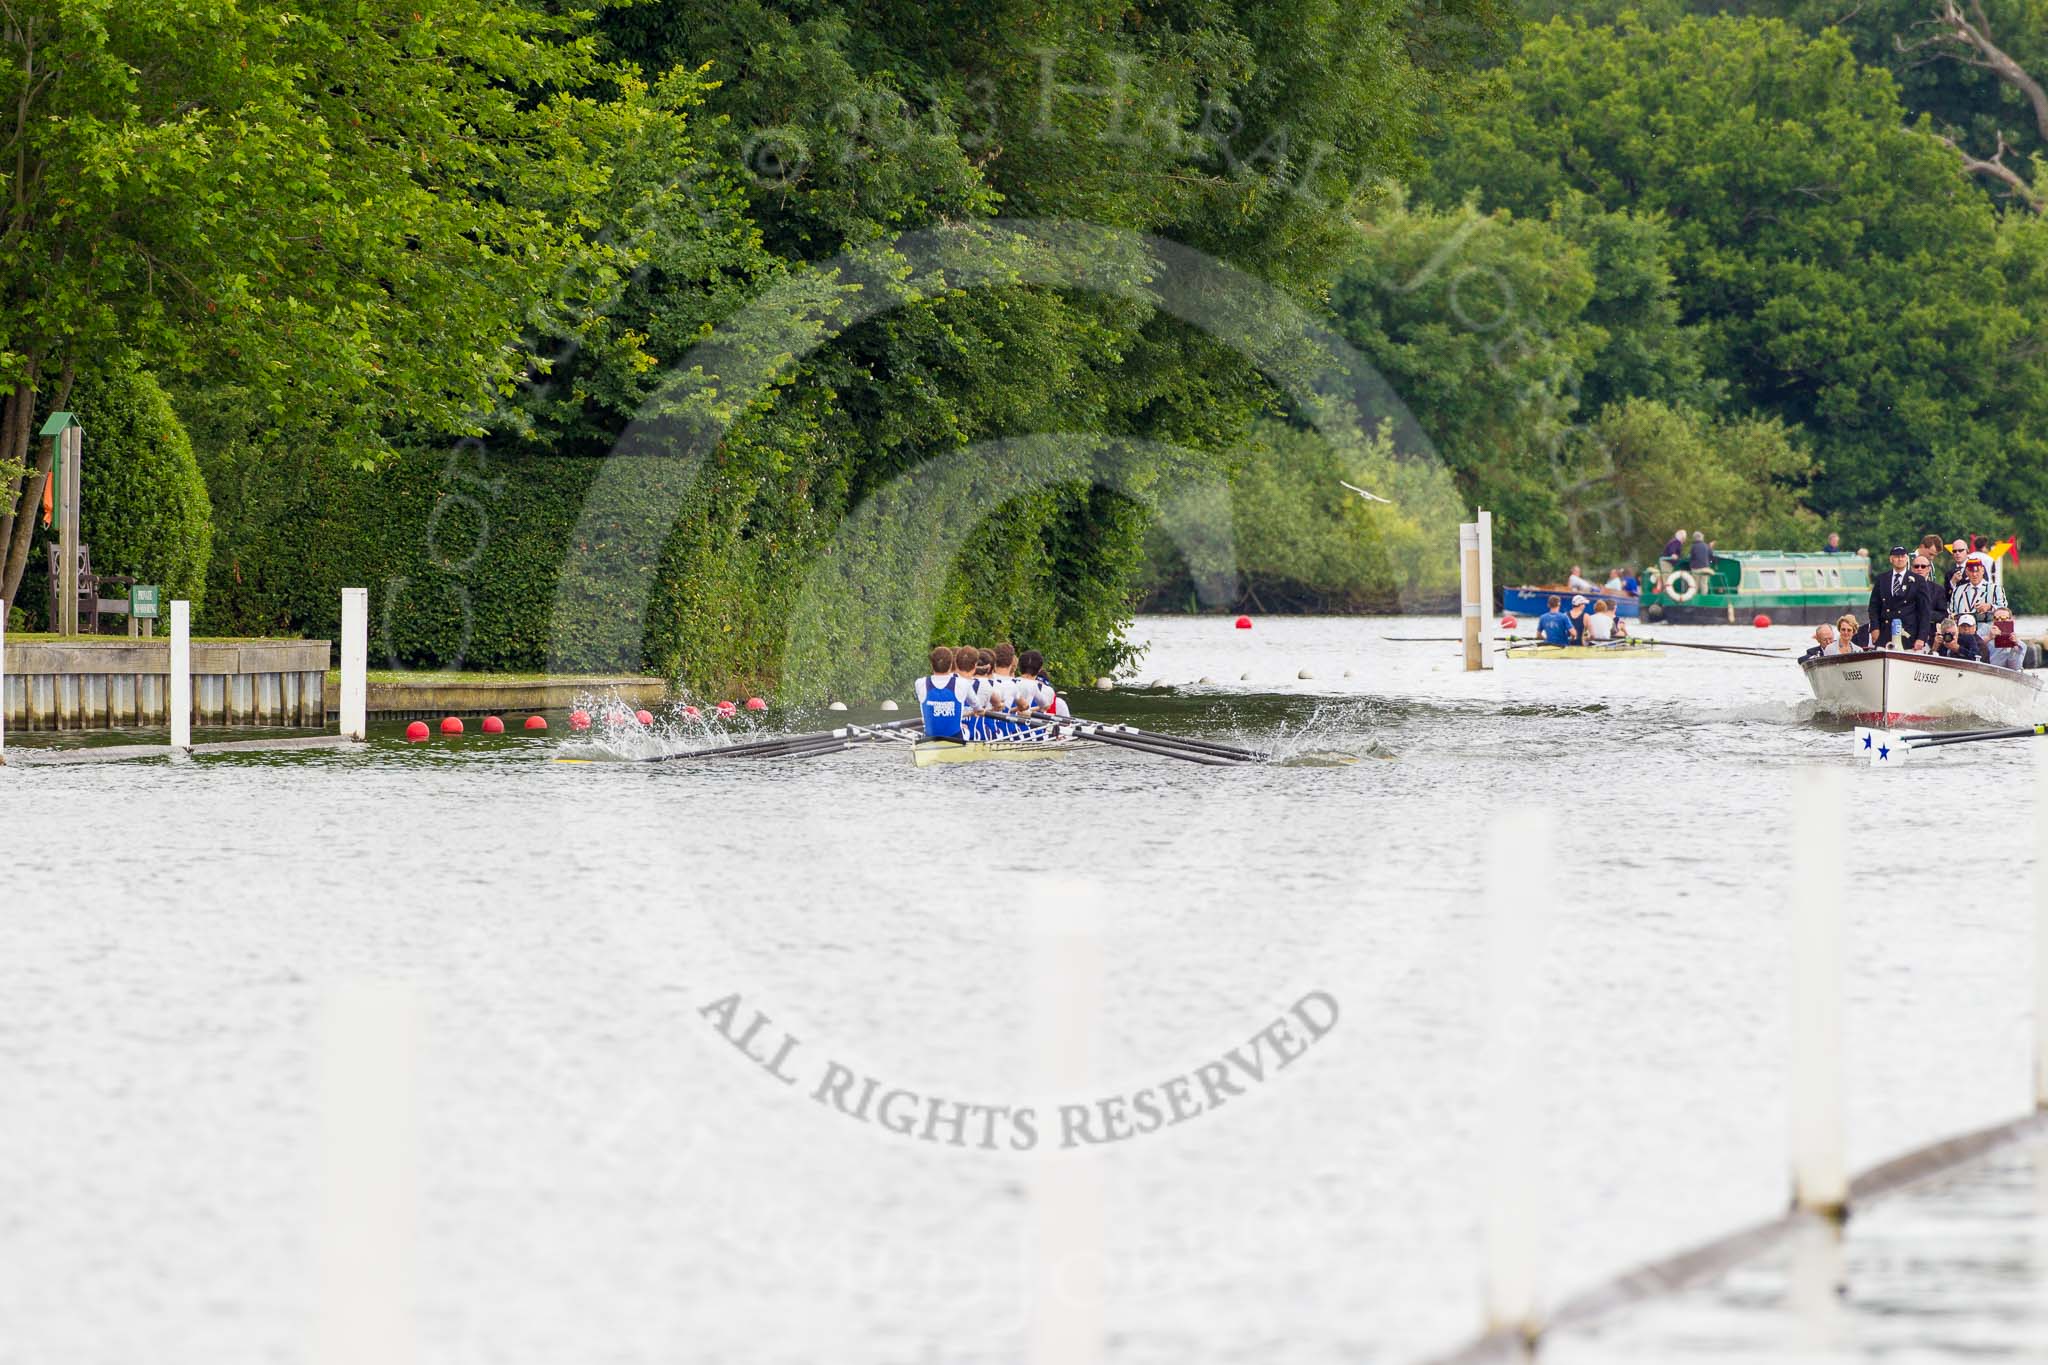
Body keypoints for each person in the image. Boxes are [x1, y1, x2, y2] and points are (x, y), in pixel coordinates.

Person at [1867, 545, 1931, 650]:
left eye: (1902, 556)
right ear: (1891, 559)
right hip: (1884, 635)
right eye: (1896, 556)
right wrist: (1874, 628)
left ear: (1907, 558)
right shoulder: (1882, 579)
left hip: (1908, 635)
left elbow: (1925, 611)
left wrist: (1921, 637)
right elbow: (1874, 607)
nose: (1900, 559)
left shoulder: (1918, 581)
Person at [916, 645, 965, 741]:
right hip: (955, 739)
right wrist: (979, 710)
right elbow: (976, 705)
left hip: (929, 738)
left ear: (931, 665)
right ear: (951, 665)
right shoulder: (962, 683)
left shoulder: (920, 682)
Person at [1950, 555, 2007, 619]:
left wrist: (1990, 607)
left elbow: (2005, 611)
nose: (1974, 574)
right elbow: (1952, 614)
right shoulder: (1957, 591)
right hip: (1964, 627)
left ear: (1983, 570)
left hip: (1987, 627)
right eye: (1971, 571)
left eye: (1977, 571)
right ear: (1966, 572)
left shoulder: (1996, 589)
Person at [1911, 552, 1948, 624]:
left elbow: (1943, 614)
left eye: (1923, 566)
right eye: (1916, 566)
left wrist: (1924, 614)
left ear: (1929, 569)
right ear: (1911, 568)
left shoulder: (1938, 590)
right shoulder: (1904, 588)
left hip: (1930, 630)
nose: (1919, 569)